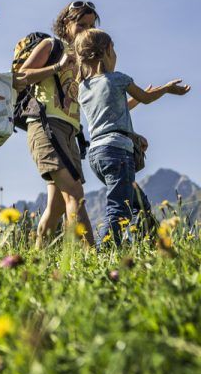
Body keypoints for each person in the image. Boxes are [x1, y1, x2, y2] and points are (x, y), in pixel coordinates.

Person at [76, 28, 190, 246]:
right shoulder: (118, 79)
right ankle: (104, 254)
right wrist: (166, 89)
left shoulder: (84, 87)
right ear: (108, 50)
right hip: (118, 151)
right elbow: (146, 98)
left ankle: (156, 246)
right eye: (114, 50)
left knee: (139, 203)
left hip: (97, 155)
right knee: (120, 209)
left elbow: (110, 111)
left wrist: (134, 101)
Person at [19, 1, 99, 247]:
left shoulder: (84, 61)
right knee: (76, 195)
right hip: (45, 125)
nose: (86, 30)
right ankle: (94, 259)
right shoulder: (51, 45)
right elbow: (20, 76)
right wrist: (58, 65)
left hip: (70, 133)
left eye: (91, 26)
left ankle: (37, 258)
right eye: (81, 24)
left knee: (57, 208)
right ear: (66, 24)